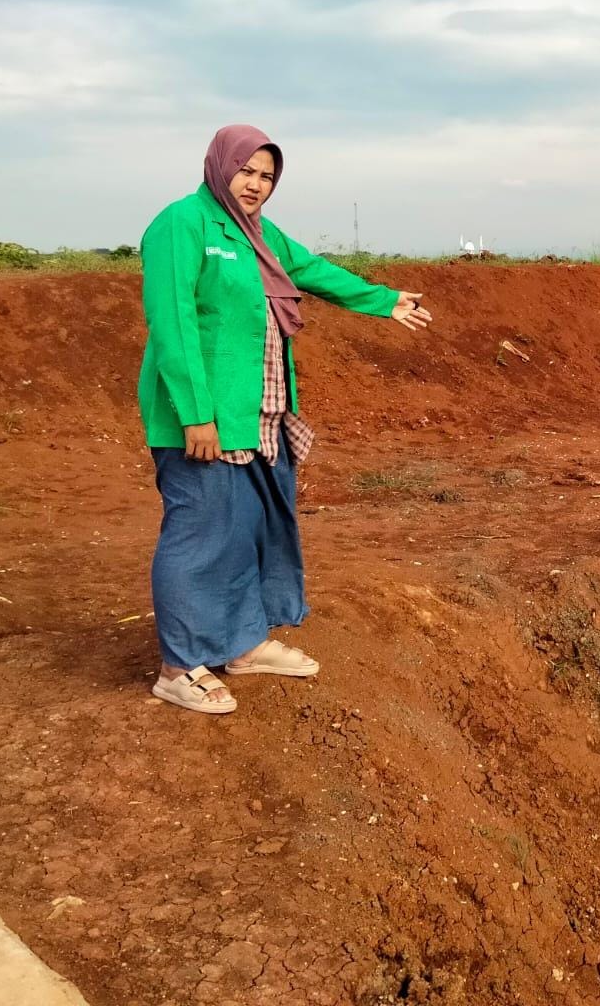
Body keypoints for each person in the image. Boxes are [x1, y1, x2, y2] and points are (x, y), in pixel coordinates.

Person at [138, 124, 432, 714]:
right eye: (246, 170)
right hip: (207, 421)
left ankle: (241, 644)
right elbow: (173, 323)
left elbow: (316, 272)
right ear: (220, 165)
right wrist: (197, 416)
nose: (255, 184)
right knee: (200, 535)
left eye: (267, 176)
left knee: (248, 530)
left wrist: (385, 300)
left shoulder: (261, 235)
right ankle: (178, 667)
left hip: (262, 414)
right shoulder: (183, 223)